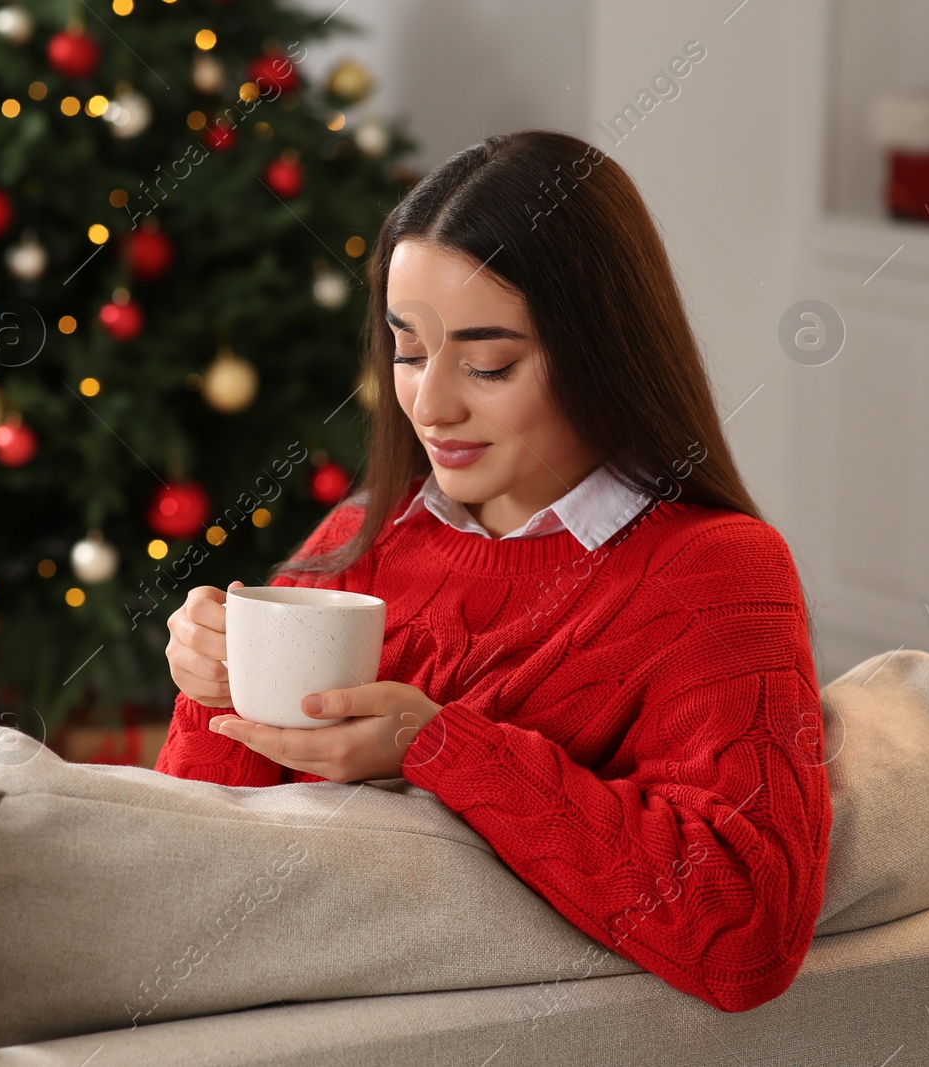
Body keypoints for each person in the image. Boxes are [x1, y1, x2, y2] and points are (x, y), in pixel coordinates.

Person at [154, 131, 832, 1014]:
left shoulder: (713, 572)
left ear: (601, 351)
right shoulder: (364, 533)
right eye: (406, 350)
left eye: (488, 363)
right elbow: (191, 888)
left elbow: (746, 929)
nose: (431, 403)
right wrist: (214, 689)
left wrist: (437, 746)